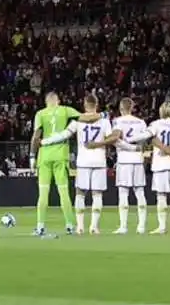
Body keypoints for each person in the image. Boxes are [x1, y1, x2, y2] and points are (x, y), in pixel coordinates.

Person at [40, 94, 115, 234]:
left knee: (80, 194)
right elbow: (111, 138)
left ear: (85, 105)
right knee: (97, 194)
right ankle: (94, 227)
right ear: (97, 104)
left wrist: (45, 141)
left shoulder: (78, 120)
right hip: (99, 160)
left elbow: (64, 135)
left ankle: (80, 226)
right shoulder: (104, 121)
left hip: (83, 161)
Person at [30, 92, 100, 237]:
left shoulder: (40, 114)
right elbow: (86, 118)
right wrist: (102, 115)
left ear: (46, 102)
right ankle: (69, 225)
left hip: (44, 155)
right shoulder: (65, 110)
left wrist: (32, 156)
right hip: (61, 155)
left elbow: (36, 136)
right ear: (58, 101)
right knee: (63, 192)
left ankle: (40, 226)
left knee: (43, 193)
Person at [128, 102, 170, 234]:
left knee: (161, 196)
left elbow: (146, 136)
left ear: (161, 111)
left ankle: (162, 227)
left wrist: (130, 138)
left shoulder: (156, 124)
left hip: (160, 164)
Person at [109, 97, 149, 234]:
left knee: (123, 193)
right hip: (137, 160)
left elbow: (116, 140)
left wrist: (129, 148)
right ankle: (142, 226)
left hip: (124, 160)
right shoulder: (141, 122)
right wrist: (136, 149)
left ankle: (123, 226)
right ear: (132, 108)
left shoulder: (117, 121)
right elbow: (144, 140)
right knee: (140, 192)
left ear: (121, 108)